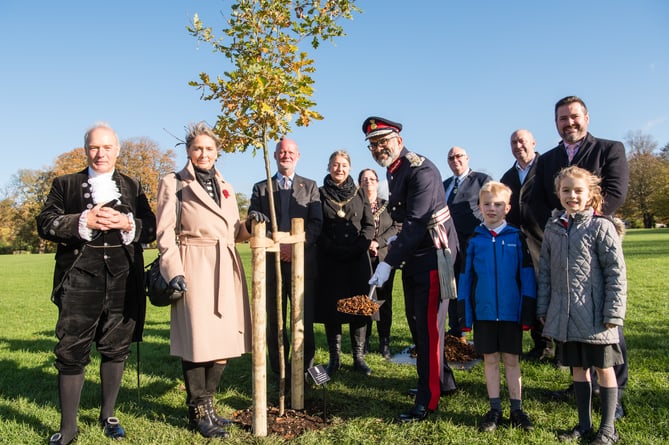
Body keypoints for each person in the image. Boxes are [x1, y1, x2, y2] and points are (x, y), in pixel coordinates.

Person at [36, 122, 156, 445]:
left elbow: (152, 228)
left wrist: (127, 222)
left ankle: (108, 414)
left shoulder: (132, 186)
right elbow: (45, 223)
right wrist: (81, 221)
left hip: (123, 279)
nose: (100, 153)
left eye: (107, 147)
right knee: (71, 349)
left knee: (116, 347)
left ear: (117, 150)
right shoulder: (65, 184)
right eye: (94, 147)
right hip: (78, 278)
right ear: (86, 150)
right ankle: (69, 428)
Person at [155, 121, 267, 438]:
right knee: (198, 342)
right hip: (193, 266)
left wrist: (250, 223)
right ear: (189, 151)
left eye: (209, 149)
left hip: (226, 267)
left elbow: (233, 231)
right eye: (197, 148)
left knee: (223, 343)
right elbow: (164, 233)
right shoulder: (173, 183)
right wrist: (173, 271)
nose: (204, 154)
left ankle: (208, 405)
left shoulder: (227, 186)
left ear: (217, 153)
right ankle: (198, 410)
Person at [532, 96, 629, 419]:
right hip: (562, 241)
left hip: (595, 238)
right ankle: (581, 387)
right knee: (572, 310)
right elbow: (539, 200)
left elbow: (616, 190)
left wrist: (587, 219)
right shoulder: (546, 160)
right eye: (562, 118)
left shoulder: (609, 148)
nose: (569, 123)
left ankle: (613, 392)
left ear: (586, 117)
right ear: (556, 123)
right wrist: (561, 224)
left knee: (602, 318)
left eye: (574, 116)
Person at [364, 116, 458, 423]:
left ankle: (427, 399)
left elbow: (418, 221)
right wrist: (395, 241)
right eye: (374, 144)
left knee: (428, 329)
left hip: (433, 252)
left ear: (399, 141)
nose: (379, 148)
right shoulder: (395, 169)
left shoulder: (420, 169)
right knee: (420, 323)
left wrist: (388, 261)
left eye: (384, 142)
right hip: (416, 252)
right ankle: (442, 382)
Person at [537, 166, 626, 445]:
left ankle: (608, 428)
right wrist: (543, 307)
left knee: (604, 370)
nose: (572, 195)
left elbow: (616, 272)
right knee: (577, 368)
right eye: (566, 190)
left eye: (578, 190)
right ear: (558, 194)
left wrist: (613, 311)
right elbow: (546, 274)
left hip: (597, 316)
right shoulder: (553, 229)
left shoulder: (601, 227)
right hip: (565, 315)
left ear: (590, 194)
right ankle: (584, 424)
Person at [457, 181, 536, 433]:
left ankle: (516, 408)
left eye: (498, 204)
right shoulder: (474, 240)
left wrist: (527, 311)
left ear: (508, 208)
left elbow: (527, 277)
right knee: (490, 360)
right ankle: (494, 409)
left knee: (511, 360)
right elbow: (466, 278)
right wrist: (466, 316)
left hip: (512, 313)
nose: (492, 208)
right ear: (480, 206)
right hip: (484, 313)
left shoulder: (517, 237)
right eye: (487, 204)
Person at [249, 138, 323, 379]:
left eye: (291, 152)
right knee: (275, 322)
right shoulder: (261, 188)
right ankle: (279, 371)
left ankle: (303, 372)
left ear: (298, 156)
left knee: (303, 320)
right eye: (282, 152)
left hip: (303, 265)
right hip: (270, 265)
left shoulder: (310, 187)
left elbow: (316, 223)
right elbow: (254, 219)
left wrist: (295, 248)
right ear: (275, 155)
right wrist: (278, 246)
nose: (286, 156)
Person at [316, 150, 375, 376]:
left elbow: (369, 225)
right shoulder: (320, 194)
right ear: (329, 167)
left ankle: (358, 358)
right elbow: (317, 226)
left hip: (357, 260)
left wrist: (359, 246)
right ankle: (335, 359)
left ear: (349, 168)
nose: (339, 169)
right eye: (335, 164)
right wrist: (332, 248)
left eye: (343, 165)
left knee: (358, 309)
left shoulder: (359, 193)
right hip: (330, 261)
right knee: (334, 310)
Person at [500, 129, 552, 361]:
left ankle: (555, 346)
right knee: (528, 291)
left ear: (533, 141)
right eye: (513, 142)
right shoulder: (507, 177)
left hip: (545, 240)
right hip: (518, 245)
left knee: (548, 292)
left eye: (522, 141)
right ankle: (540, 344)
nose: (518, 145)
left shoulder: (547, 168)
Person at [443, 146, 492, 342]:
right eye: (451, 157)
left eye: (459, 156)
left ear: (467, 158)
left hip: (472, 244)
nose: (455, 160)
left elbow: (490, 207)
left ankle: (480, 332)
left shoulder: (481, 180)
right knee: (452, 288)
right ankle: (456, 331)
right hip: (449, 246)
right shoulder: (444, 184)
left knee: (475, 288)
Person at [358, 168, 401, 359]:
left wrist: (379, 242)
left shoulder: (388, 205)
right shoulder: (356, 205)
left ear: (377, 182)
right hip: (362, 258)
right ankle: (364, 340)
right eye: (364, 179)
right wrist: (366, 243)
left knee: (384, 299)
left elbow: (397, 226)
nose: (368, 182)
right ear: (359, 183)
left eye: (372, 178)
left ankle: (384, 341)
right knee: (365, 299)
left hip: (383, 257)